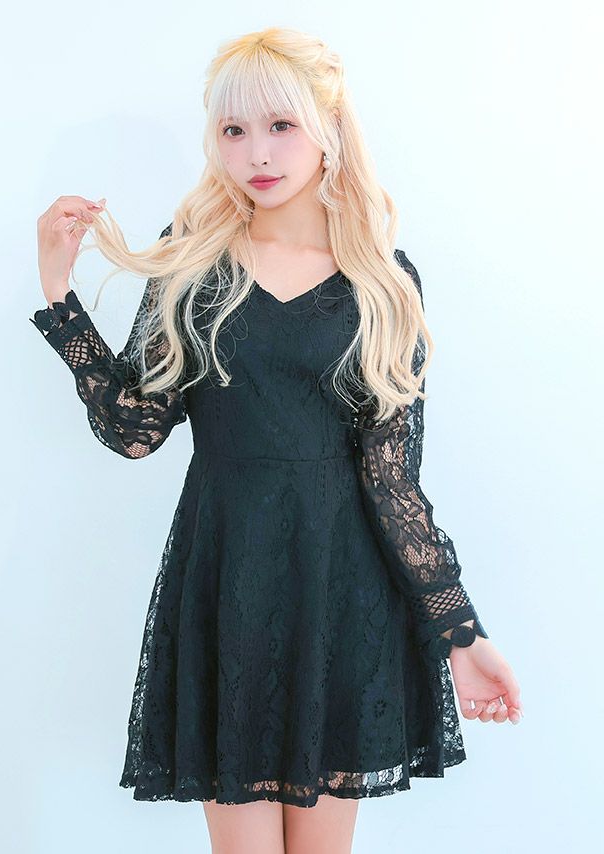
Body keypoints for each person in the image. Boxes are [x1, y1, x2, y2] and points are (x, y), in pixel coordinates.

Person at [31, 25, 522, 854]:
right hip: (229, 584)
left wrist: (462, 635)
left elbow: (393, 483)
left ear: (327, 128)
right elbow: (134, 430)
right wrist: (58, 293)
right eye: (234, 130)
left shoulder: (381, 281)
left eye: (280, 125)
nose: (256, 152)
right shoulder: (193, 268)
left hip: (343, 592)